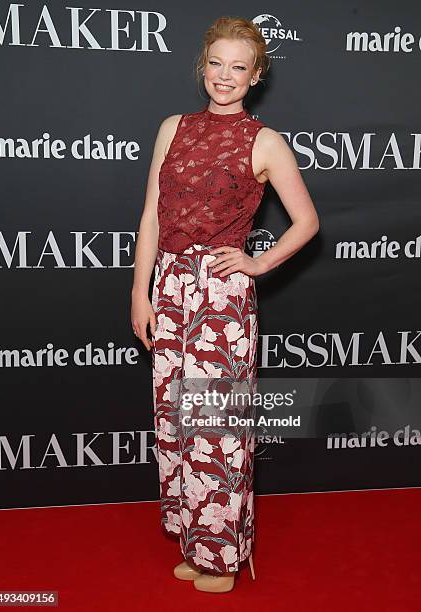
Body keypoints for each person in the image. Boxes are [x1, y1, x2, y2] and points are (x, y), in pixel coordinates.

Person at [131, 16, 319, 594]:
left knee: (217, 428)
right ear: (202, 67)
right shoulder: (173, 128)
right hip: (169, 287)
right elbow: (152, 218)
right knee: (176, 424)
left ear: (256, 75)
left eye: (239, 67)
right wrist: (140, 293)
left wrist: (258, 263)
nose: (225, 76)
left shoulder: (265, 141)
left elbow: (307, 221)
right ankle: (195, 540)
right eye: (217, 63)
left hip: (222, 298)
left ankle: (223, 555)